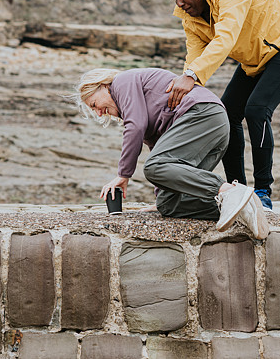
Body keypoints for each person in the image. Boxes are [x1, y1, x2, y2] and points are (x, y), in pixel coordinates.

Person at [166, 0, 280, 210]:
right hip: (256, 56)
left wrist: (191, 76)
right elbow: (194, 56)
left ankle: (263, 191)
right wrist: (189, 84)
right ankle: (238, 189)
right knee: (225, 113)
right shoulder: (189, 18)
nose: (179, 3)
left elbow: (226, 38)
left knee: (257, 110)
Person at [73, 67, 269, 239]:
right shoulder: (137, 106)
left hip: (202, 114)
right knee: (170, 204)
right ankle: (244, 207)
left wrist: (123, 175)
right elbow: (162, 153)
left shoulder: (122, 82)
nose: (98, 113)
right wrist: (161, 197)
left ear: (102, 86)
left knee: (153, 166)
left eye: (94, 105)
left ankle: (231, 191)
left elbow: (137, 127)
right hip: (211, 127)